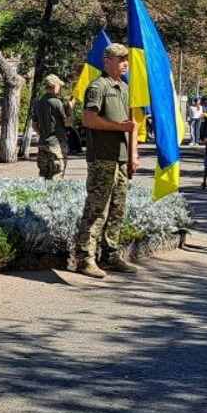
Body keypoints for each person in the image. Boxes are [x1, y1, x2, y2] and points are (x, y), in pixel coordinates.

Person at [72, 43, 137, 279]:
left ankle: (110, 255)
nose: (125, 63)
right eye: (120, 59)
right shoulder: (98, 87)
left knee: (118, 210)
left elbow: (132, 125)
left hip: (119, 158)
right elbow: (88, 120)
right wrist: (117, 127)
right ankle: (85, 258)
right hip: (102, 158)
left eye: (125, 59)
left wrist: (133, 156)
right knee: (97, 209)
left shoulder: (124, 87)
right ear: (107, 61)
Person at [31, 74, 69, 180]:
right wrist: (70, 108)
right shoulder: (57, 103)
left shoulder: (38, 102)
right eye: (58, 85)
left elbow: (34, 125)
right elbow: (67, 123)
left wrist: (43, 134)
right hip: (56, 145)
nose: (60, 88)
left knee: (44, 177)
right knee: (56, 177)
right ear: (53, 86)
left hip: (43, 144)